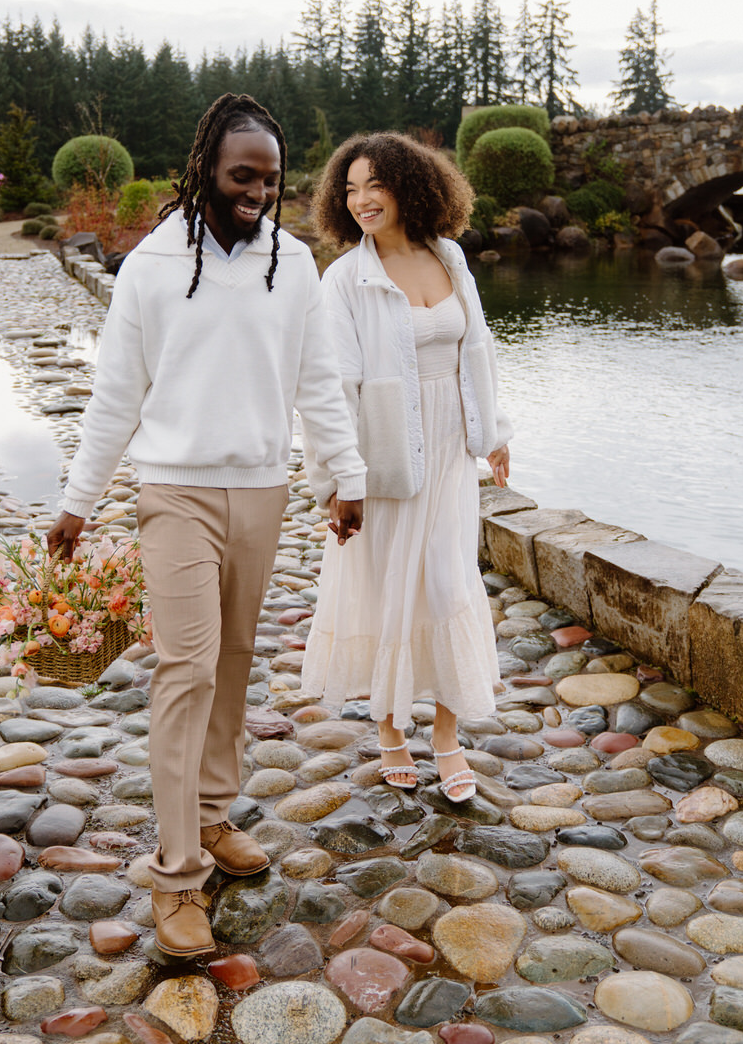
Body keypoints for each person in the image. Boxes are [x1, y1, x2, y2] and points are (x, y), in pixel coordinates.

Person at [47, 94, 366, 958]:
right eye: (242, 175)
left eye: (270, 177)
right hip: (174, 493)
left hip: (261, 490)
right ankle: (179, 873)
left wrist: (345, 479)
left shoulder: (293, 264)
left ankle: (216, 817)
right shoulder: (152, 265)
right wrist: (78, 501)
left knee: (231, 663)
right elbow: (117, 393)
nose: (259, 190)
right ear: (205, 170)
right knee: (185, 668)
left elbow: (318, 382)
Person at [301, 131, 511, 801]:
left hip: (451, 454)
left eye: (375, 185)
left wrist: (495, 433)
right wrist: (340, 482)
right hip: (385, 459)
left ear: (409, 187)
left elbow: (477, 347)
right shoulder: (345, 279)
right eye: (350, 188)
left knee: (450, 586)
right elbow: (333, 386)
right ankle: (392, 729)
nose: (362, 199)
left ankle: (446, 736)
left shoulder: (448, 255)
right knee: (394, 591)